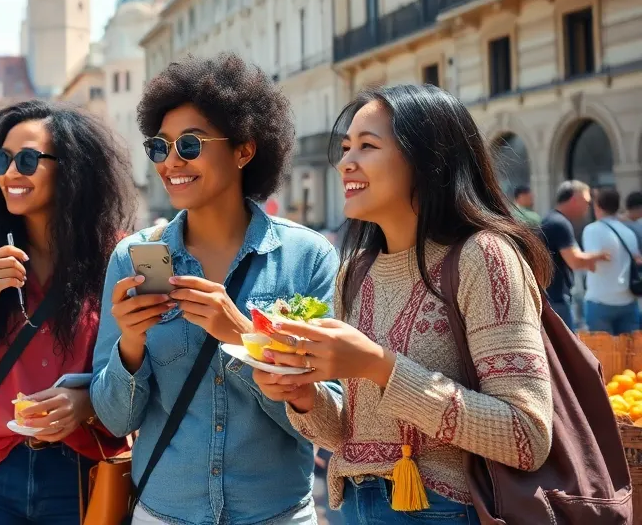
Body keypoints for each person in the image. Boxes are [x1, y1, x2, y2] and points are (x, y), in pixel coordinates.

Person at [254, 84, 554, 523]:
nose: (346, 163)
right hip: (353, 504)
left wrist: (380, 366)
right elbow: (351, 437)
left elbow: (525, 436)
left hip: (445, 509)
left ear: (428, 160)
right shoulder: (354, 271)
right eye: (345, 147)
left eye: (368, 146)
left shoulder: (483, 257)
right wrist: (303, 396)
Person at [91, 53, 338, 525]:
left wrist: (243, 339)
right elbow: (116, 420)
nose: (171, 162)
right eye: (160, 147)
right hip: (163, 513)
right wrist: (130, 346)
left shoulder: (308, 258)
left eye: (189, 144)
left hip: (276, 515)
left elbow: (326, 422)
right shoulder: (134, 258)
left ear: (245, 150)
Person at [0, 100, 132, 525]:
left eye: (28, 159)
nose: (11, 172)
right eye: (1, 160)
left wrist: (87, 404)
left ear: (71, 168)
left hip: (82, 474)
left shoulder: (117, 258)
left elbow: (144, 373)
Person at [540, 180, 610, 328]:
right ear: (574, 199)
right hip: (557, 299)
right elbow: (575, 260)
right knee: (565, 348)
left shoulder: (551, 219)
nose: (588, 206)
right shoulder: (560, 224)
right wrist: (601, 256)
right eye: (586, 201)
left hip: (551, 297)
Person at [581, 188, 642, 334]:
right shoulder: (628, 232)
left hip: (600, 299)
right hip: (627, 300)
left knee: (601, 355)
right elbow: (637, 260)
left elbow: (591, 264)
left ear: (598, 206)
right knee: (629, 354)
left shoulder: (592, 230)